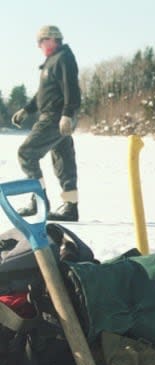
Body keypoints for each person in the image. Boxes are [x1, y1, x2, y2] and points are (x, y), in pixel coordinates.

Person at [11, 25, 81, 221]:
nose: (39, 46)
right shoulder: (51, 61)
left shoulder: (63, 58)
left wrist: (67, 114)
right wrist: (27, 109)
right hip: (55, 116)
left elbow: (71, 88)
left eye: (41, 41)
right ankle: (71, 206)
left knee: (26, 153)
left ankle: (38, 201)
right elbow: (43, 94)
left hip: (55, 117)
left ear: (52, 39)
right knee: (63, 161)